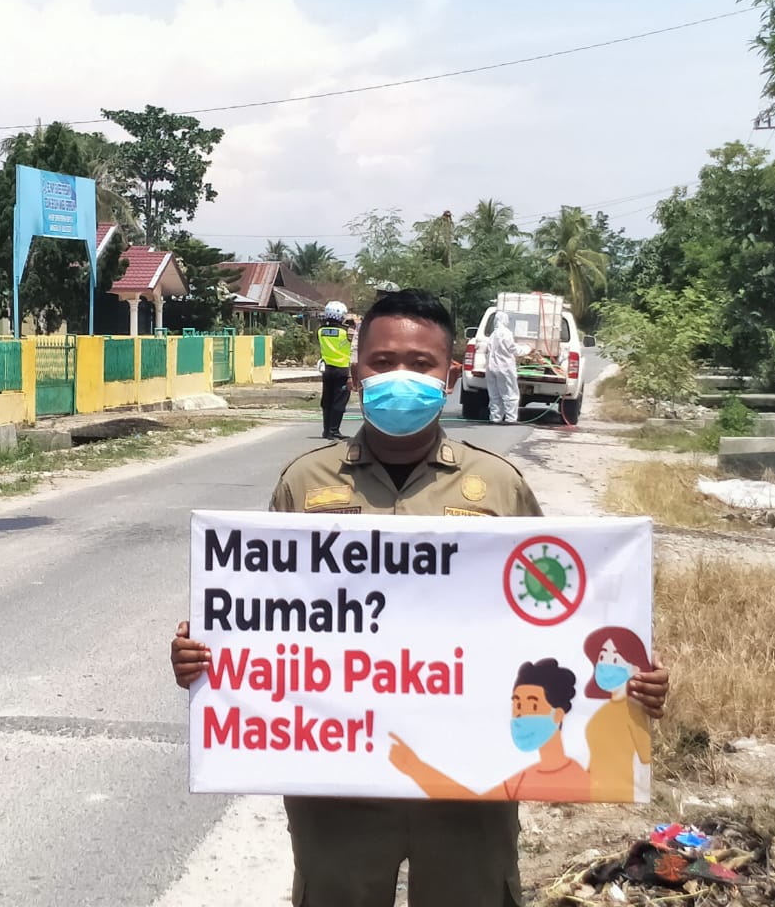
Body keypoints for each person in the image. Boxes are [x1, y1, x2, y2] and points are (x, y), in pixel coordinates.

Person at [171, 288, 670, 907]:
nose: (400, 376)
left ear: (452, 375)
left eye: (421, 363)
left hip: (472, 781)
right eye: (382, 363)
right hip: (337, 784)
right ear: (355, 374)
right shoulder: (305, 483)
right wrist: (205, 656)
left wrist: (630, 683)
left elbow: (557, 625)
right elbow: (261, 615)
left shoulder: (499, 485)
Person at [389, 658, 590, 803]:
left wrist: (415, 768)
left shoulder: (576, 777)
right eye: (517, 706)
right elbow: (474, 802)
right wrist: (413, 766)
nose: (520, 716)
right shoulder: (526, 775)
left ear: (558, 715)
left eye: (533, 706)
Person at [582, 626, 654, 802]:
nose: (605, 664)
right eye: (602, 657)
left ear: (635, 668)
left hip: (619, 797)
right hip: (591, 794)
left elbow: (644, 762)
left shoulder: (634, 712)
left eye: (614, 659)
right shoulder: (602, 710)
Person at [317, 300, 352, 440]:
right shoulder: (346, 332)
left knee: (327, 399)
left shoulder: (320, 331)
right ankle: (334, 430)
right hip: (342, 369)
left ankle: (326, 430)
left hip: (327, 369)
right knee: (339, 401)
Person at [485, 311, 528, 425]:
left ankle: (495, 418)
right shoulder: (506, 333)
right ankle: (510, 418)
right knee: (510, 392)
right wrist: (527, 349)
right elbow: (513, 349)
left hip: (491, 368)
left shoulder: (493, 335)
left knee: (495, 394)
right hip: (504, 368)